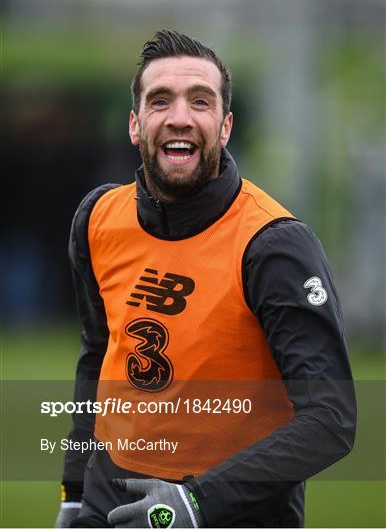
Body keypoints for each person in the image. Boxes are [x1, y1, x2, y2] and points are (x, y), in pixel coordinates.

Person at [55, 30, 356, 528]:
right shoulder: (97, 217)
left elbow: (332, 420)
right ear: (135, 124)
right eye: (160, 101)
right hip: (107, 505)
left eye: (200, 100)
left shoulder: (273, 245)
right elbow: (97, 353)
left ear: (225, 126)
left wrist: (195, 503)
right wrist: (75, 491)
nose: (180, 117)